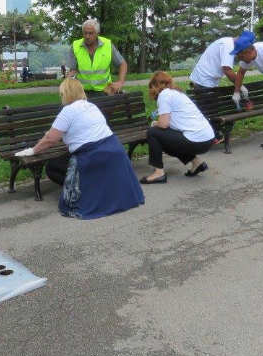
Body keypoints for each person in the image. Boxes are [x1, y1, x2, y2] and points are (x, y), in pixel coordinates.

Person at [15, 78, 144, 219]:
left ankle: (90, 189)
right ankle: (102, 186)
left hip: (92, 156)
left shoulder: (68, 111)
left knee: (52, 168)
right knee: (64, 161)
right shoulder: (91, 106)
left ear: (65, 93)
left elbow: (50, 139)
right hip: (115, 152)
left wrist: (32, 150)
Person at [141, 71, 215, 184]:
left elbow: (164, 124)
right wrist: (159, 123)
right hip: (208, 139)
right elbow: (172, 122)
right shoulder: (176, 92)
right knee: (166, 139)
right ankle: (197, 163)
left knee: (153, 132)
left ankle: (158, 173)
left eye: (151, 88)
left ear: (156, 85)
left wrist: (155, 123)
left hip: (196, 140)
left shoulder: (164, 94)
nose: (151, 92)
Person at [65, 18, 127, 97]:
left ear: (97, 33)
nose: (87, 36)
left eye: (91, 33)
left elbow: (122, 63)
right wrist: (70, 76)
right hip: (82, 93)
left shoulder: (107, 44)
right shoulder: (75, 46)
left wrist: (120, 82)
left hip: (105, 91)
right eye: (85, 33)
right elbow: (72, 70)